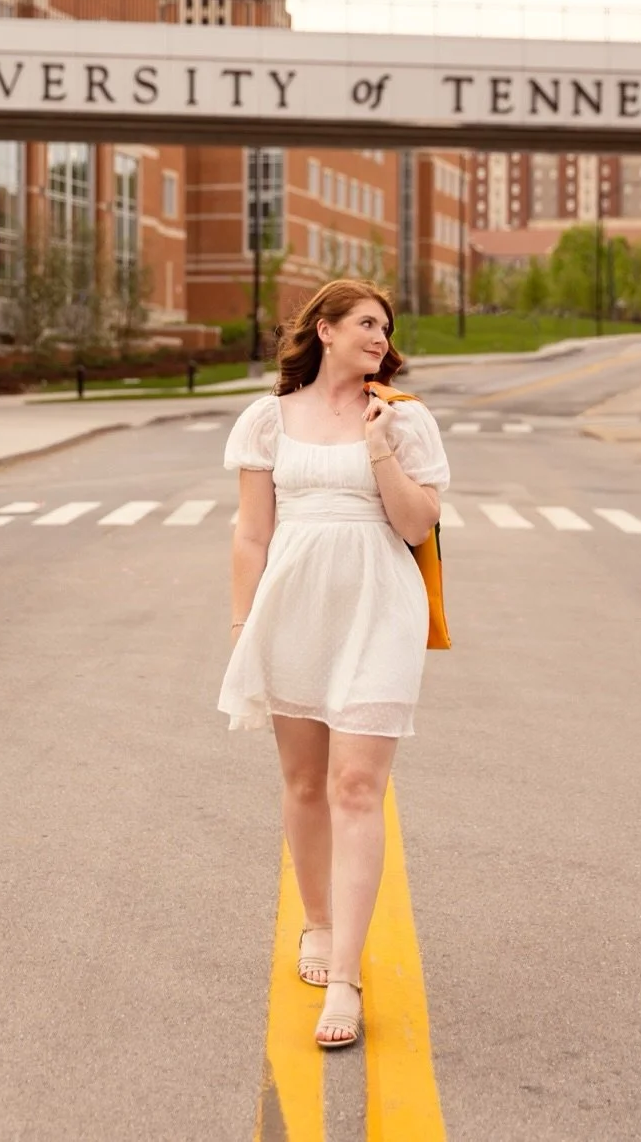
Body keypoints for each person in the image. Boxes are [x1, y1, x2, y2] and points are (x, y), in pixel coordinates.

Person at [218, 279, 451, 1049]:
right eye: (364, 323)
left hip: (379, 607)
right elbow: (253, 535)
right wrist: (243, 622)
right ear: (324, 330)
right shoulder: (268, 420)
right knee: (303, 782)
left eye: (386, 327)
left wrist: (379, 444)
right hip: (293, 610)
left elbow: (418, 524)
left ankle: (346, 979)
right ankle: (316, 924)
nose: (380, 336)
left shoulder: (406, 421)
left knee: (357, 785)